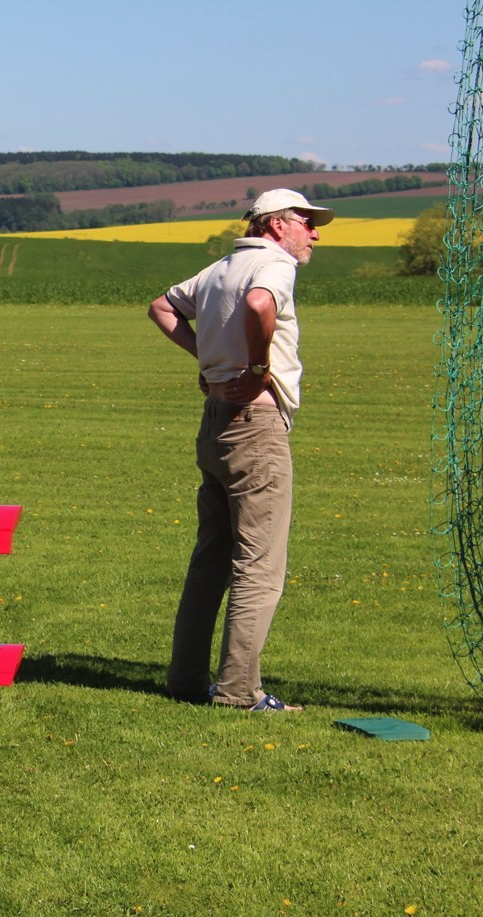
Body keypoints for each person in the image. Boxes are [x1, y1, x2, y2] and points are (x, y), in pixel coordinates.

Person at [147, 188, 333, 712]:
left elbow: (161, 307)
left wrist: (207, 359)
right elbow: (258, 303)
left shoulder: (221, 267)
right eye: (306, 222)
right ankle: (237, 692)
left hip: (216, 422)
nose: (314, 234)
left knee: (211, 559)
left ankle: (186, 680)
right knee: (259, 566)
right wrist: (256, 369)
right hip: (255, 424)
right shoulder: (274, 264)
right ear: (276, 225)